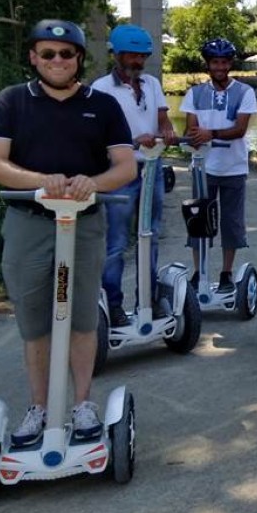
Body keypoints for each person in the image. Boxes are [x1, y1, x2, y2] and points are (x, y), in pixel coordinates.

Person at [0, 19, 136, 447]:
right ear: (33, 57)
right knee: (35, 323)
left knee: (82, 317)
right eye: (47, 54)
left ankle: (83, 404)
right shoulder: (13, 101)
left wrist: (93, 183)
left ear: (79, 59)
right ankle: (41, 408)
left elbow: (125, 166)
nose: (57, 61)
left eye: (66, 54)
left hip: (83, 223)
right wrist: (38, 181)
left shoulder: (102, 105)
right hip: (30, 222)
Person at [91, 24, 177, 327]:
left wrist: (167, 131)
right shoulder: (101, 89)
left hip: (151, 169)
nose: (137, 62)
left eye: (142, 56)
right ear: (117, 54)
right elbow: (94, 138)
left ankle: (149, 300)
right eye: (131, 55)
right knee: (116, 241)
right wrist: (132, 141)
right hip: (119, 172)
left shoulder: (152, 83)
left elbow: (163, 119)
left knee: (149, 236)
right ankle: (112, 305)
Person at [181, 37, 257, 291]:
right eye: (215, 62)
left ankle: (226, 273)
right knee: (199, 220)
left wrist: (210, 134)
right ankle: (198, 271)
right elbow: (190, 129)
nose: (220, 67)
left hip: (234, 167)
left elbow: (240, 129)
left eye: (224, 62)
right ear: (208, 65)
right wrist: (195, 135)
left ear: (230, 64)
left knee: (231, 222)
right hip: (203, 168)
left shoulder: (244, 92)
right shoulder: (195, 93)